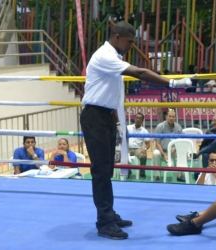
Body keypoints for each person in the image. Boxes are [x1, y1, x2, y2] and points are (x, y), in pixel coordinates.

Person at [80, 21, 193, 240]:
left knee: (107, 168)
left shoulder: (114, 57)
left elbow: (108, 91)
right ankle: (104, 222)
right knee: (101, 171)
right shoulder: (105, 55)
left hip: (103, 116)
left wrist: (115, 120)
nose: (131, 46)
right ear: (117, 37)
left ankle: (109, 214)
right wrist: (171, 83)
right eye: (130, 41)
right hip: (94, 117)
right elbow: (140, 72)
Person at [152, 109, 185, 182]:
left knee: (183, 152)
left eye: (173, 116)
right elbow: (157, 142)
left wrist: (176, 148)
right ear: (166, 117)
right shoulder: (160, 126)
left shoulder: (178, 127)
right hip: (162, 150)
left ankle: (179, 175)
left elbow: (182, 140)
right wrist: (163, 154)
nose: (171, 118)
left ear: (175, 117)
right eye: (169, 116)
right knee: (155, 153)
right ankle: (158, 176)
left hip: (173, 151)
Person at [127, 113, 150, 179]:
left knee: (143, 156)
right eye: (137, 118)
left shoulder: (144, 131)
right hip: (127, 148)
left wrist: (145, 149)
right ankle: (128, 171)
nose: (138, 119)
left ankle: (142, 173)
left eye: (140, 118)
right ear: (134, 119)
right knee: (124, 156)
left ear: (142, 120)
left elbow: (148, 143)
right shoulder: (128, 128)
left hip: (138, 149)